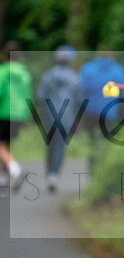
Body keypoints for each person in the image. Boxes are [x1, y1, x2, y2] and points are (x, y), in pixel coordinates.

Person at [35, 45, 81, 192]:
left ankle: (49, 174)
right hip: (67, 117)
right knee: (60, 146)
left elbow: (40, 97)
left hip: (50, 117)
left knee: (50, 145)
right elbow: (80, 99)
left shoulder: (48, 76)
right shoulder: (75, 77)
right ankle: (54, 175)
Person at [78, 52, 124, 172]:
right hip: (109, 112)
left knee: (92, 142)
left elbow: (81, 90)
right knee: (106, 142)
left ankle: (92, 169)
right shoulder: (118, 70)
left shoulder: (88, 68)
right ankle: (102, 171)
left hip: (90, 111)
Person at [0, 41, 34, 192]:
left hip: (4, 111)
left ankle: (15, 170)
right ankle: (5, 179)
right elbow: (28, 95)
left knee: (1, 146)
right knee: (6, 144)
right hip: (20, 114)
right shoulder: (24, 72)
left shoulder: (4, 71)